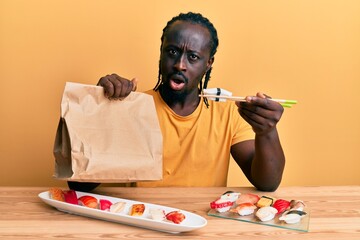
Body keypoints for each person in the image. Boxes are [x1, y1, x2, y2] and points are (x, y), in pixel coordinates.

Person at [68, 12, 285, 192]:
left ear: (208, 64)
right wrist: (103, 110)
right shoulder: (134, 107)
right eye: (172, 52)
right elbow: (79, 185)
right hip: (142, 222)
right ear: (161, 53)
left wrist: (267, 132)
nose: (180, 65)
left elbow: (267, 183)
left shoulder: (226, 113)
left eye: (193, 57)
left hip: (203, 223)